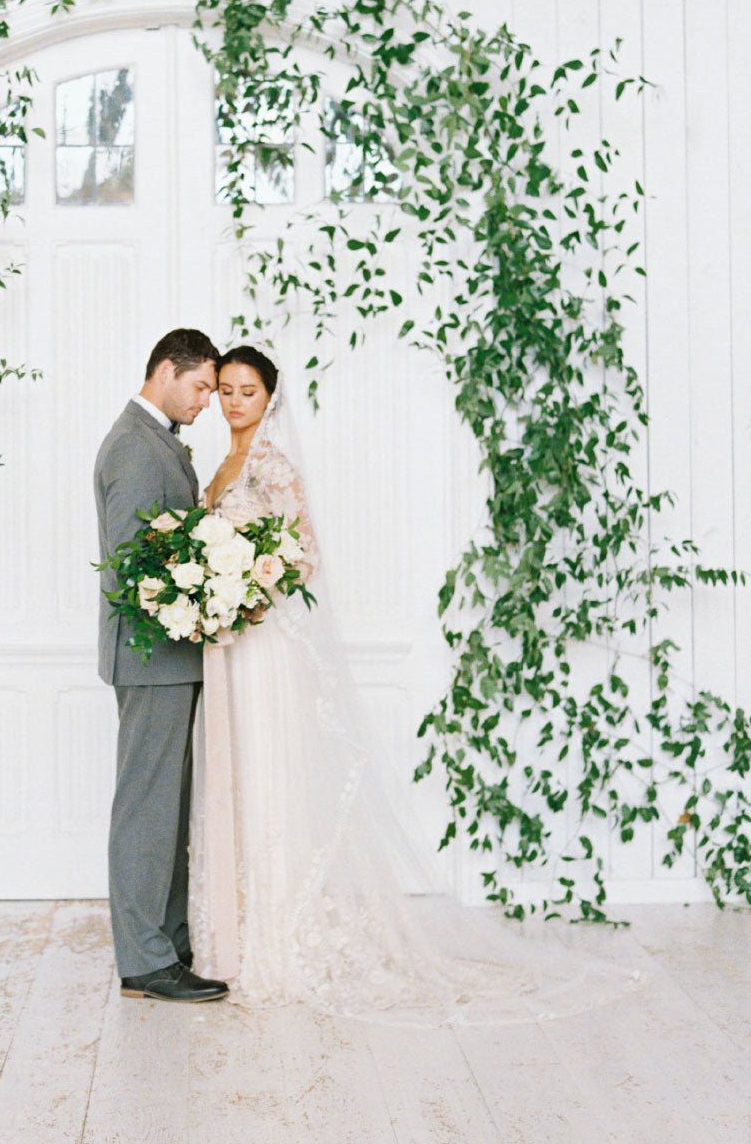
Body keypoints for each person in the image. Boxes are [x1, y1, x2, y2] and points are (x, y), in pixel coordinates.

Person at [187, 344, 644, 1026]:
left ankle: (276, 934)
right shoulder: (221, 463)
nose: (231, 401)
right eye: (224, 389)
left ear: (270, 398)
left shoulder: (272, 462)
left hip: (264, 644)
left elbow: (304, 554)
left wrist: (249, 593)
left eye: (246, 391)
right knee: (237, 775)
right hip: (228, 645)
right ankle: (234, 930)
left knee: (269, 773)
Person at [93, 328, 230, 1004]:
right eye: (201, 386)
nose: (207, 401)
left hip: (172, 655)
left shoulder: (157, 441)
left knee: (168, 806)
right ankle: (145, 959)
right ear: (165, 373)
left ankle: (168, 944)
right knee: (146, 806)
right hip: (150, 655)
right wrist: (200, 592)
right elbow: (127, 565)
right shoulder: (134, 446)